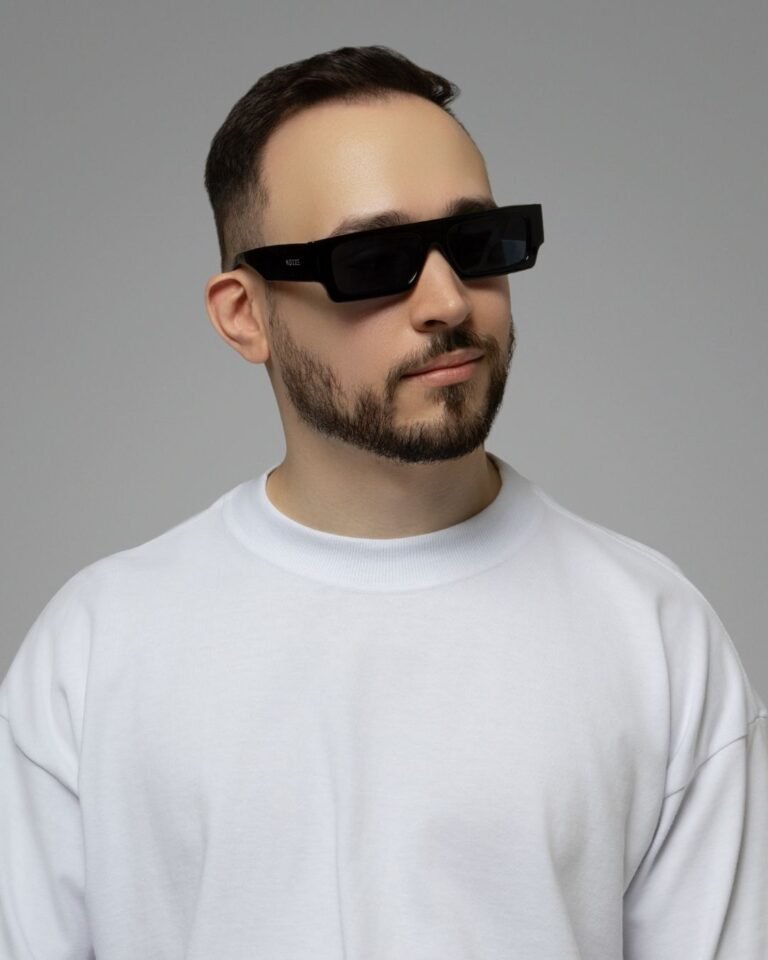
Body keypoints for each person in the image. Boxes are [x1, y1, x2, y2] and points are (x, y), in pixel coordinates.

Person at [1, 44, 766, 960]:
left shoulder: (654, 635)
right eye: (375, 259)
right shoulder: (98, 649)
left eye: (477, 244)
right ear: (245, 314)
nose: (448, 300)